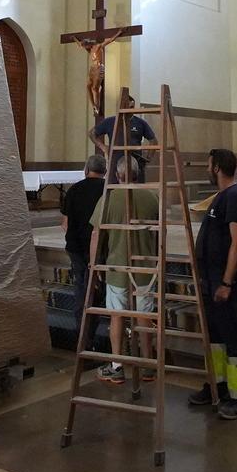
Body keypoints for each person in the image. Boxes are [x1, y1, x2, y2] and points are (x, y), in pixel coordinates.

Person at [188, 149, 237, 420]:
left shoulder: (235, 197)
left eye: (208, 165)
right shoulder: (222, 197)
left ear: (216, 168)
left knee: (235, 336)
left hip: (226, 283)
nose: (206, 169)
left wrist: (227, 281)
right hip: (211, 281)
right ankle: (218, 386)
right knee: (215, 338)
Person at [89, 157, 160, 384]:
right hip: (146, 267)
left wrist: (94, 264)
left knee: (117, 315)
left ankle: (117, 365)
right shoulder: (152, 197)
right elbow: (161, 233)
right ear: (137, 174)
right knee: (144, 318)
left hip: (117, 266)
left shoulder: (109, 197)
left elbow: (96, 234)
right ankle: (148, 365)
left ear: (117, 175)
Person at [59, 155, 107, 335]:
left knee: (81, 286)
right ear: (105, 171)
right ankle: (93, 327)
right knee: (97, 286)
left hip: (76, 247)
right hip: (100, 247)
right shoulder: (108, 190)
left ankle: (82, 331)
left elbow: (65, 223)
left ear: (86, 170)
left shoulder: (74, 190)